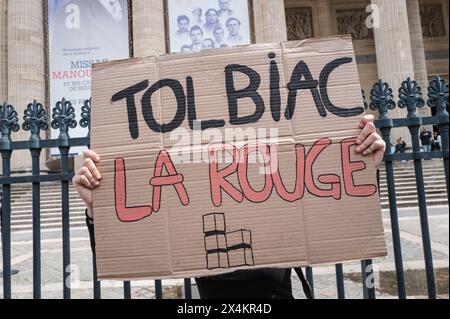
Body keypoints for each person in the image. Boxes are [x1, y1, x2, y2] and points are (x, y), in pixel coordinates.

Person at [73, 115, 385, 299]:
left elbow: (344, 219)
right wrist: (95, 210)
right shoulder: (191, 206)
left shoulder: (278, 197)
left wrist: (363, 165)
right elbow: (126, 253)